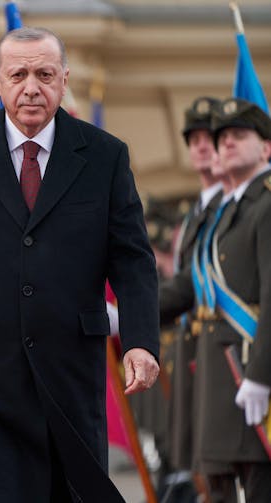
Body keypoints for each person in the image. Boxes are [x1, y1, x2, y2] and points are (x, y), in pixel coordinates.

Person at [0, 26, 160, 502]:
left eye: (44, 74)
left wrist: (140, 341)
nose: (31, 87)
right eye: (18, 74)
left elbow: (133, 260)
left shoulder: (105, 156)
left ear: (64, 80)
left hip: (71, 374)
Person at [191, 97, 271, 503]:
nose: (227, 144)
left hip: (253, 379)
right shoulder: (227, 211)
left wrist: (261, 374)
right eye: (222, 138)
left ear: (267, 148)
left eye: (240, 135)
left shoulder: (267, 204)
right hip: (224, 384)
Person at [157, 96, 227, 500]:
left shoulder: (233, 209)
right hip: (194, 359)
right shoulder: (195, 214)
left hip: (225, 360)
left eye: (211, 138)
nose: (203, 146)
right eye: (195, 138)